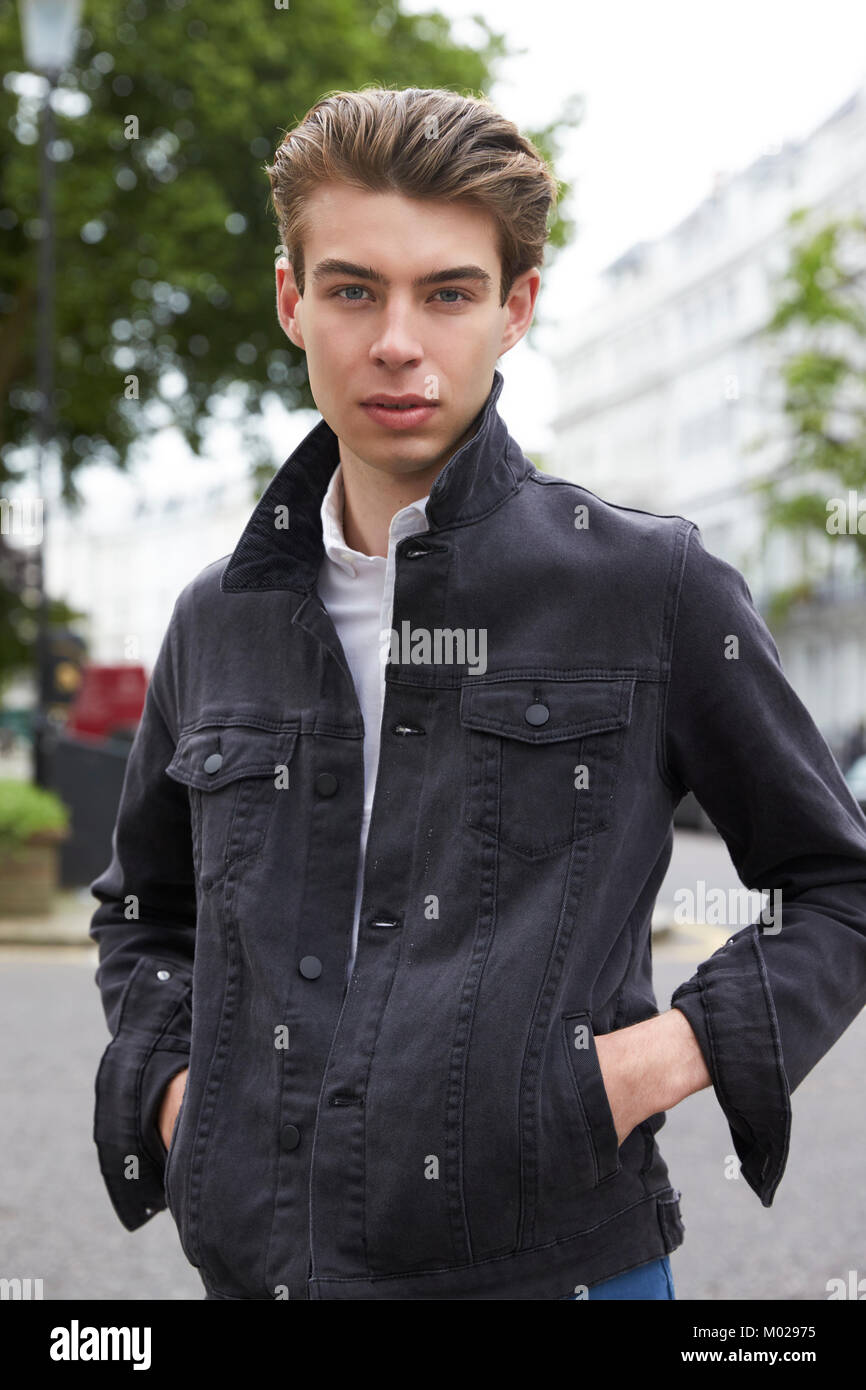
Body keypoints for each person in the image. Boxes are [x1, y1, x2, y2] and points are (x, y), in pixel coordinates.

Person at [89, 86, 866, 1302]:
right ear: (292, 301)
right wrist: (186, 1101)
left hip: (552, 1268)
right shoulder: (216, 618)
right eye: (352, 289)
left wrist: (641, 1068)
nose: (396, 340)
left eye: (446, 293)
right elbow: (145, 913)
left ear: (513, 311)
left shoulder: (648, 586)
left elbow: (839, 883)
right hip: (259, 1270)